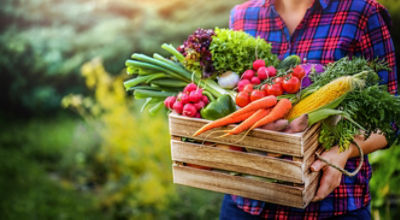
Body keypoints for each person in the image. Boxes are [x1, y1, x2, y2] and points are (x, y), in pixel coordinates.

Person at [220, 0, 398, 219]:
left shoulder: (362, 13)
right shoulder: (243, 15)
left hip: (332, 205)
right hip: (247, 202)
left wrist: (343, 152)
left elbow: (391, 120)